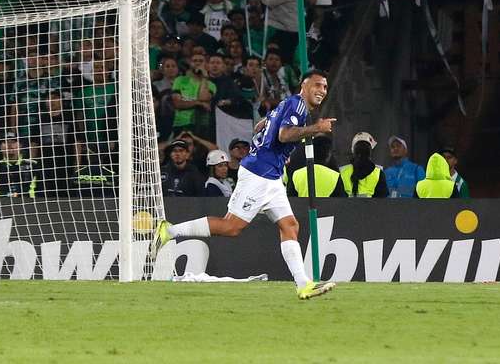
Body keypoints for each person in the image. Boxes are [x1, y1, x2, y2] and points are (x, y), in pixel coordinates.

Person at [152, 69, 337, 300]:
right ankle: (169, 231)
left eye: (325, 87)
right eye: (318, 85)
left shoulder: (286, 105)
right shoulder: (297, 105)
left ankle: (303, 284)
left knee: (290, 226)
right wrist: (315, 129)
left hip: (271, 176)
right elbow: (283, 135)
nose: (322, 91)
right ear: (305, 85)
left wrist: (277, 151)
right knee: (232, 227)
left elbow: (261, 126)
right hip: (259, 175)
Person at [0, 132, 38, 198]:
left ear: (20, 145)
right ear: (0, 147)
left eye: (13, 142)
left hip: (29, 203)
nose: (9, 145)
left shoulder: (34, 165)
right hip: (1, 204)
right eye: (5, 142)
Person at [340, 132, 388, 198]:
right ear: (370, 152)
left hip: (345, 208)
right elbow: (383, 202)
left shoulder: (343, 171)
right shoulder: (378, 173)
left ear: (353, 151)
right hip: (371, 208)